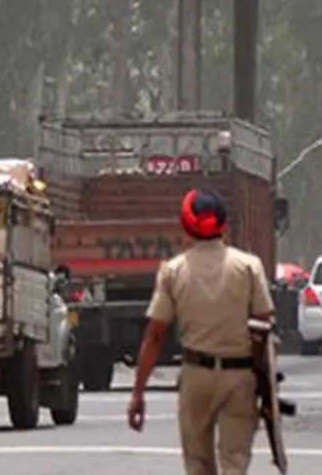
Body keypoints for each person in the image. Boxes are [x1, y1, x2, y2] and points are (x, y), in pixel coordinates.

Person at [127, 189, 274, 475]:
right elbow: (263, 325)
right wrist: (264, 384)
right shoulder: (248, 267)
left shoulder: (173, 271)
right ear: (224, 225)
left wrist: (138, 392)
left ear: (186, 224)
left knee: (197, 464)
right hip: (239, 377)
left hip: (196, 377)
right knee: (234, 462)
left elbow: (155, 334)